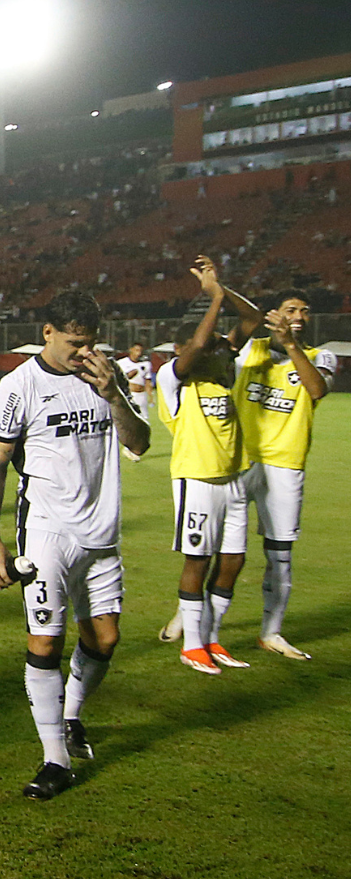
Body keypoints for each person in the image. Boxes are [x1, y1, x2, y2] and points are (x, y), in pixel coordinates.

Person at [0, 292, 150, 800]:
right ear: (48, 331)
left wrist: (115, 393)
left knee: (105, 640)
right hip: (47, 534)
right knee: (46, 642)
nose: (83, 353)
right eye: (75, 343)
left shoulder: (105, 375)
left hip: (102, 532)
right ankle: (54, 759)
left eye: (90, 343)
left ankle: (71, 714)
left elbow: (139, 444)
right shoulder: (20, 385)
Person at [153, 257, 261, 674]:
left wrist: (222, 287)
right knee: (197, 560)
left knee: (233, 559)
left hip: (233, 478)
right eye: (215, 345)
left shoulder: (219, 373)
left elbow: (250, 318)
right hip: (196, 479)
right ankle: (192, 644)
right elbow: (199, 344)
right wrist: (212, 299)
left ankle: (212, 638)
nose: (221, 350)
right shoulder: (173, 378)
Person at [230, 288, 336, 660]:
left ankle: (271, 632)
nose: (300, 315)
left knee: (279, 553)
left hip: (286, 464)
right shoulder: (250, 350)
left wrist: (291, 346)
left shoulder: (319, 355)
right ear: (274, 313)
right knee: (218, 548)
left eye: (305, 311)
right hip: (240, 460)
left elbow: (316, 389)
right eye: (292, 309)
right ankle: (193, 618)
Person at [115, 343, 155, 462]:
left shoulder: (146, 364)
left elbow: (147, 381)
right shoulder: (122, 363)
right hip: (131, 395)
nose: (139, 353)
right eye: (136, 350)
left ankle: (132, 448)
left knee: (145, 421)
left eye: (140, 350)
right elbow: (118, 379)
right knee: (131, 421)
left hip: (141, 395)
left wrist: (150, 396)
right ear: (131, 350)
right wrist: (128, 375)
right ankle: (129, 449)